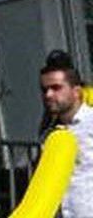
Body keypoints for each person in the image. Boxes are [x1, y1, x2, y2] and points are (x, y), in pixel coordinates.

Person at [39, 50, 93, 217]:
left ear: (76, 91)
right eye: (45, 89)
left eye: (56, 88)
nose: (48, 95)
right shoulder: (50, 131)